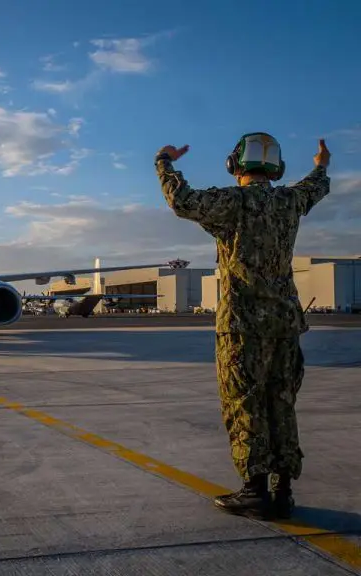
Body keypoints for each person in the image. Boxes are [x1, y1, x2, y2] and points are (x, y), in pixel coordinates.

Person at [154, 133, 331, 519]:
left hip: (243, 323)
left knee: (244, 402)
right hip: (285, 324)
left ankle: (253, 489)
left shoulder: (232, 203)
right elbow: (315, 186)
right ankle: (282, 489)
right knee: (281, 403)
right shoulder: (289, 201)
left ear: (235, 166)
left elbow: (181, 201)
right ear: (276, 168)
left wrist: (164, 162)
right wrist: (321, 164)